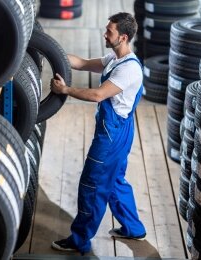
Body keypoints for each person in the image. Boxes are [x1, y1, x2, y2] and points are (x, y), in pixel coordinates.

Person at [49, 12, 146, 255]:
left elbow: (97, 95)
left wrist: (66, 89)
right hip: (119, 130)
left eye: (109, 31)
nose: (105, 34)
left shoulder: (129, 70)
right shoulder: (114, 59)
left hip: (112, 135)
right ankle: (134, 228)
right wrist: (50, 52)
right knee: (114, 181)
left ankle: (80, 239)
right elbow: (81, 63)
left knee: (92, 184)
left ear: (123, 37)